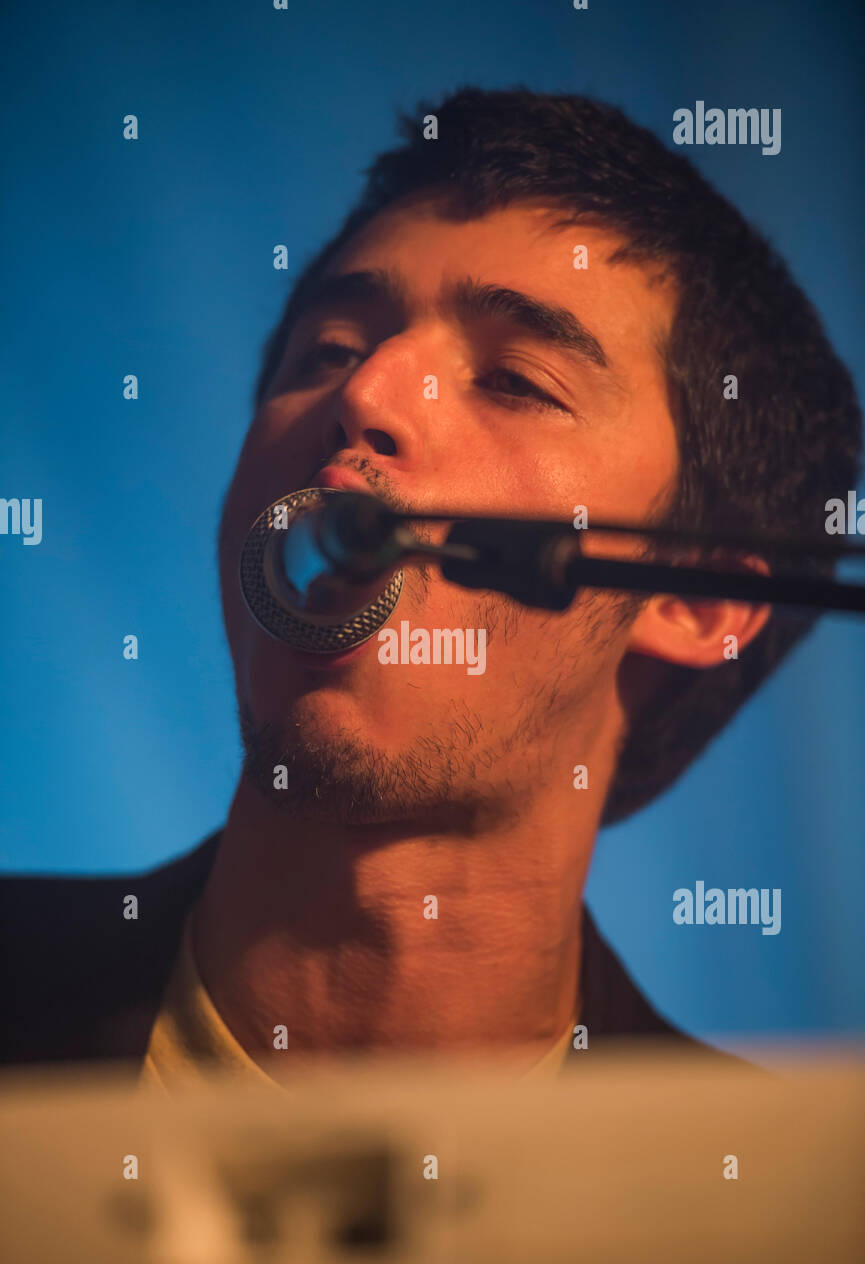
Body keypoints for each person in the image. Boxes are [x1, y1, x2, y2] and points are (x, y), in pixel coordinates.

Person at [1, 88, 860, 1087]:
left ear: (694, 602)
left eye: (515, 382)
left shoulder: (764, 1212)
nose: (362, 394)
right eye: (327, 351)